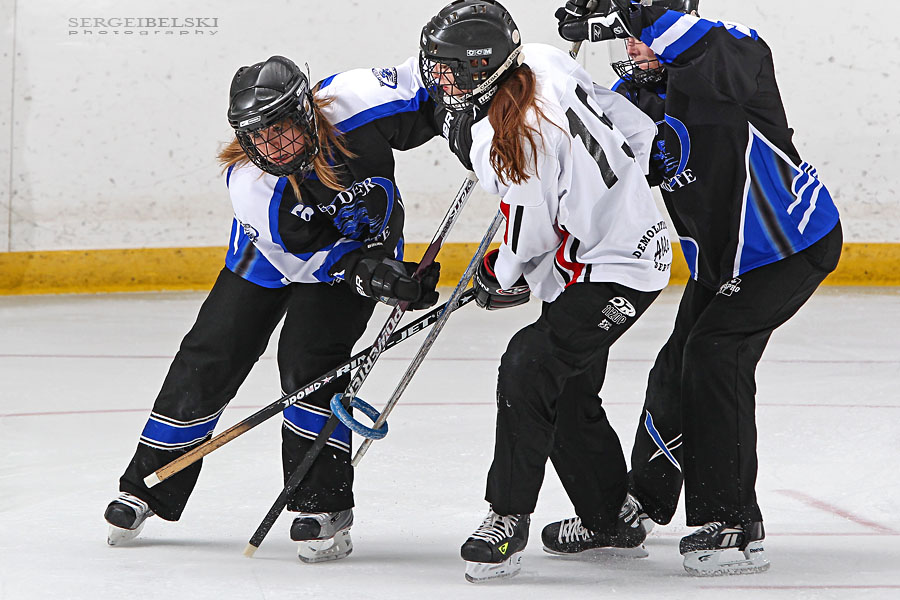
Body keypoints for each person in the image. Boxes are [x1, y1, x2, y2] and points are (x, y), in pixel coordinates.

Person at [103, 54, 442, 563]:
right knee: (212, 352)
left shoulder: (358, 101)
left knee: (311, 361)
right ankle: (148, 486)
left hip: (364, 240)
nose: (271, 147)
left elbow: (441, 90)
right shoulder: (253, 185)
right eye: (257, 137)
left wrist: (484, 136)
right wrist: (372, 277)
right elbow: (305, 263)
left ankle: (322, 504)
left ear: (306, 111)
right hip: (273, 258)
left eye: (280, 130)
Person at [556, 0, 843, 576]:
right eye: (624, 40)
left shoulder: (735, 55)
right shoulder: (634, 93)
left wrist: (635, 11)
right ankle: (641, 500)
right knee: (675, 367)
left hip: (787, 248)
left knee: (715, 355)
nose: (632, 51)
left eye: (639, 36)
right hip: (722, 265)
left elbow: (707, 45)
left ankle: (732, 521)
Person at [419, 0, 673, 582]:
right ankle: (609, 516)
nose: (441, 81)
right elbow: (628, 121)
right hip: (604, 251)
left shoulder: (507, 137)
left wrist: (495, 275)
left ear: (483, 69)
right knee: (568, 390)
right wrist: (617, 189)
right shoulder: (542, 59)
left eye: (451, 69)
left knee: (530, 364)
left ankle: (506, 515)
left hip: (618, 268)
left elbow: (527, 229)